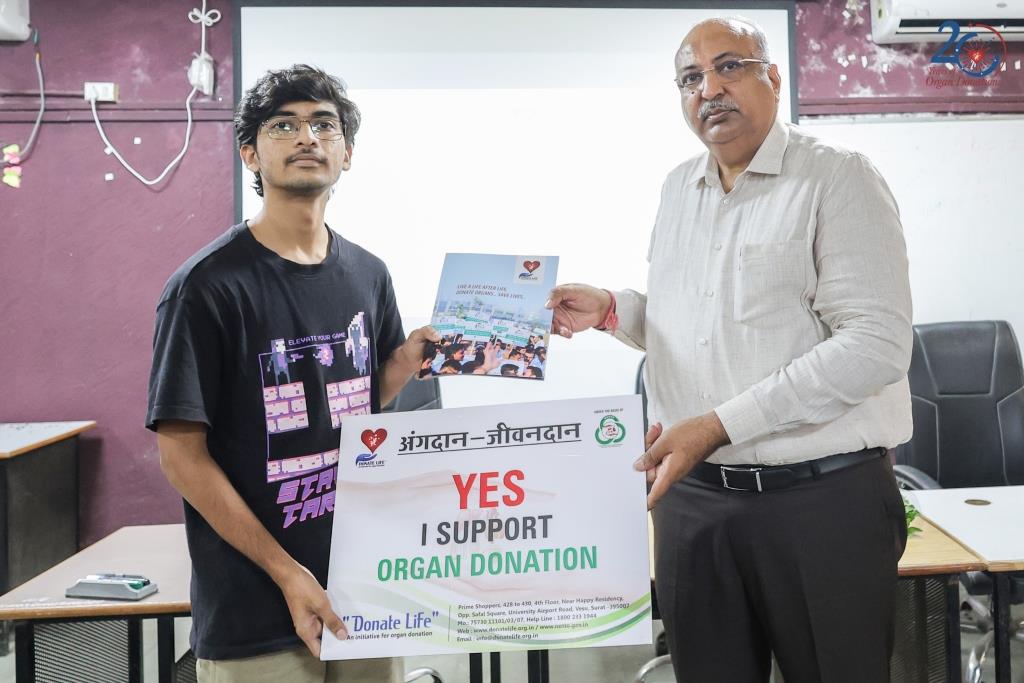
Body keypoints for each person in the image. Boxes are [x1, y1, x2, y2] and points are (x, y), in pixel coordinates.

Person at [547, 17, 911, 683]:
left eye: (729, 67)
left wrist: (716, 425)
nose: (708, 89)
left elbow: (876, 345)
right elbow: (703, 323)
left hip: (821, 503)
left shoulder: (838, 178)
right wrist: (613, 309)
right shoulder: (677, 188)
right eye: (690, 78)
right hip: (696, 505)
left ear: (773, 77)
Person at [146, 64, 439, 683]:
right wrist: (288, 573)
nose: (307, 137)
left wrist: (402, 364)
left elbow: (358, 404)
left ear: (347, 153)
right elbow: (181, 457)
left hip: (364, 594)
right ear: (250, 153)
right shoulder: (205, 286)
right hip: (256, 607)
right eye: (284, 125)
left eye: (324, 125)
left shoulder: (369, 273)